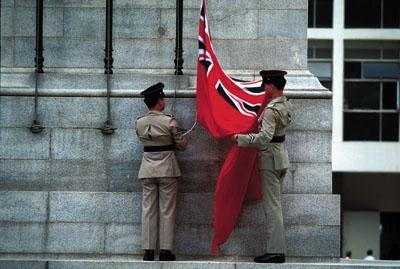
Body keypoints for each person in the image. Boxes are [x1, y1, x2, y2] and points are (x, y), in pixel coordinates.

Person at [232, 70, 292, 263]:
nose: (264, 88)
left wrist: (240, 138)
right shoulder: (285, 104)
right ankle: (277, 249)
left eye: (265, 85)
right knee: (276, 206)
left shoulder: (271, 110)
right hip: (280, 158)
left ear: (272, 86)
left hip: (269, 160)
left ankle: (275, 251)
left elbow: (264, 138)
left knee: (272, 207)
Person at [135, 82, 187, 261]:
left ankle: (148, 251)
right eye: (162, 98)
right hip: (167, 169)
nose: (163, 101)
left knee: (148, 209)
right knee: (167, 210)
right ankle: (165, 250)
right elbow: (182, 145)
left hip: (147, 169)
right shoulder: (169, 121)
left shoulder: (139, 122)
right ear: (159, 101)